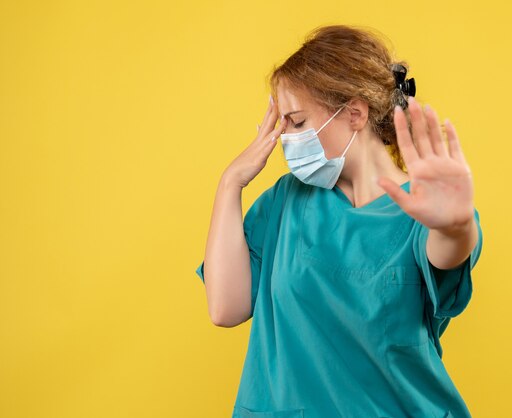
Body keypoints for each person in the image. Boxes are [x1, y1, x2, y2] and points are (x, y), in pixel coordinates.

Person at [195, 24, 483, 418]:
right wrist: (230, 183)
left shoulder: (423, 211)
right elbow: (225, 308)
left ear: (354, 114)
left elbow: (447, 251)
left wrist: (456, 225)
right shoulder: (286, 199)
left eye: (296, 123)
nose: (285, 140)